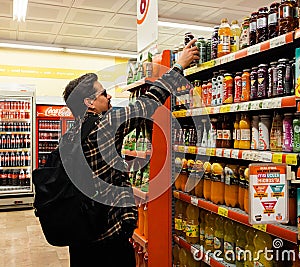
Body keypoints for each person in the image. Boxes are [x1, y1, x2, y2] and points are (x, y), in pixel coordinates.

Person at [61, 39, 199, 267]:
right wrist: (178, 67)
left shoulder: (69, 135)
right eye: (103, 93)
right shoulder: (103, 127)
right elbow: (148, 102)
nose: (109, 97)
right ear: (90, 103)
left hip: (80, 235)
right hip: (107, 238)